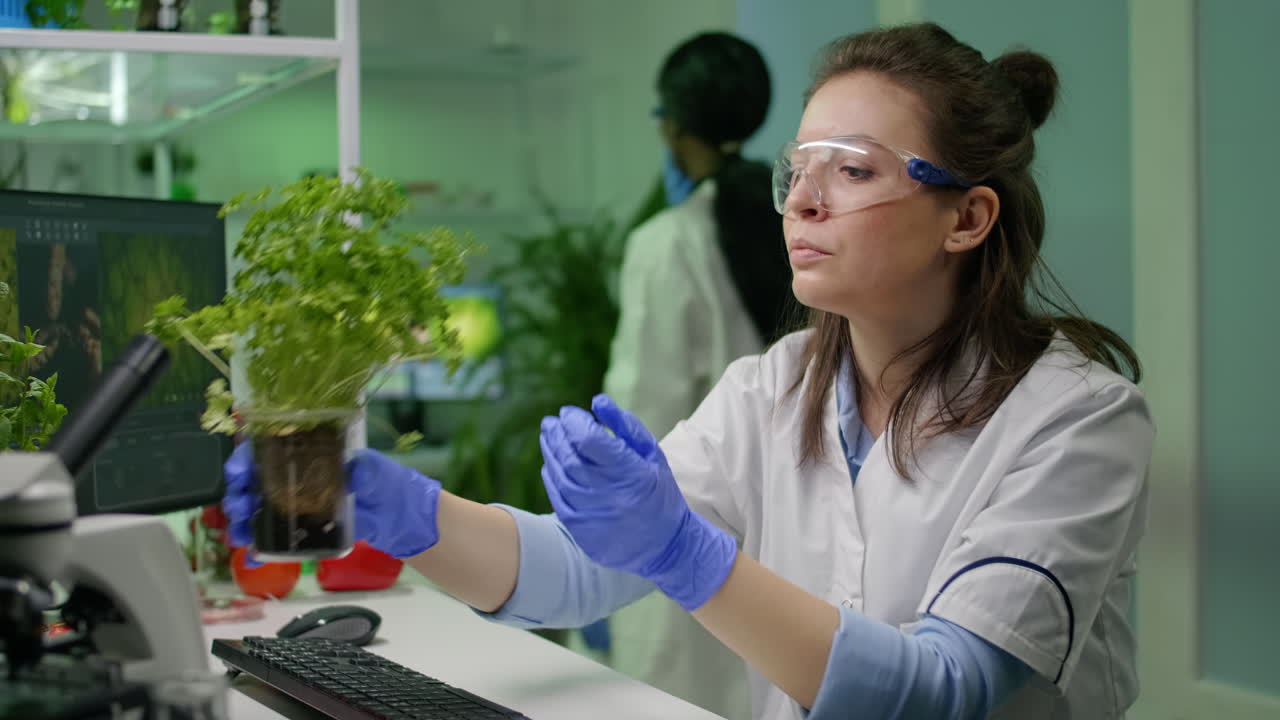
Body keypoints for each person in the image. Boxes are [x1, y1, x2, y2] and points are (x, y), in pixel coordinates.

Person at [225, 23, 1151, 719]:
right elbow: (581, 572)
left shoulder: (1077, 421)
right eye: (799, 169)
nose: (804, 200)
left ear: (967, 218)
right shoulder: (773, 389)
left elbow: (945, 691)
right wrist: (408, 514)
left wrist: (681, 553)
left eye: (855, 171)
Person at [592, 31, 791, 719]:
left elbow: (636, 420)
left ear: (673, 125)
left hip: (683, 537)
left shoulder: (666, 244)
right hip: (782, 544)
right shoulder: (793, 229)